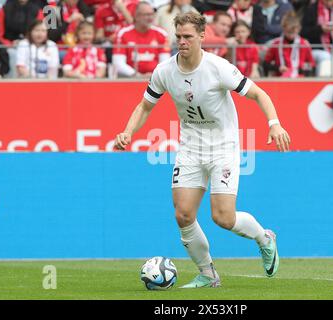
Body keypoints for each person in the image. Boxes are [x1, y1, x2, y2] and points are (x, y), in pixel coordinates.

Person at [114, 12, 290, 288]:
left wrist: (275, 124)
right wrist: (127, 131)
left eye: (188, 37)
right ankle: (208, 275)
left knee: (223, 218)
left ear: (201, 36)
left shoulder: (218, 68)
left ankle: (264, 238)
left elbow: (259, 94)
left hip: (223, 147)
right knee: (183, 214)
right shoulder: (164, 71)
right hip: (190, 147)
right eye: (179, 37)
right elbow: (145, 106)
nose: (182, 42)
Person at [112, 1, 170, 77]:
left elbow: (165, 62)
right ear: (136, 16)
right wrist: (137, 75)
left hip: (155, 79)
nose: (150, 17)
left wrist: (154, 75)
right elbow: (118, 63)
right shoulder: (123, 33)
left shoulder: (161, 33)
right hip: (129, 79)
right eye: (146, 14)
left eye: (152, 14)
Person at [300, 0, 333, 71]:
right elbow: (303, 33)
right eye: (326, 1)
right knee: (326, 58)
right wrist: (320, 29)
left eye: (331, 1)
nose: (329, 3)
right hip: (318, 48)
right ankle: (321, 81)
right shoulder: (312, 8)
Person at [264, 10, 315, 77]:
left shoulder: (304, 44)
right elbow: (266, 64)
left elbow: (312, 65)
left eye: (293, 33)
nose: (291, 35)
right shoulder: (276, 44)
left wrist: (301, 69)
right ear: (283, 29)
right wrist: (278, 68)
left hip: (300, 80)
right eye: (288, 32)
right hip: (280, 79)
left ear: (299, 29)